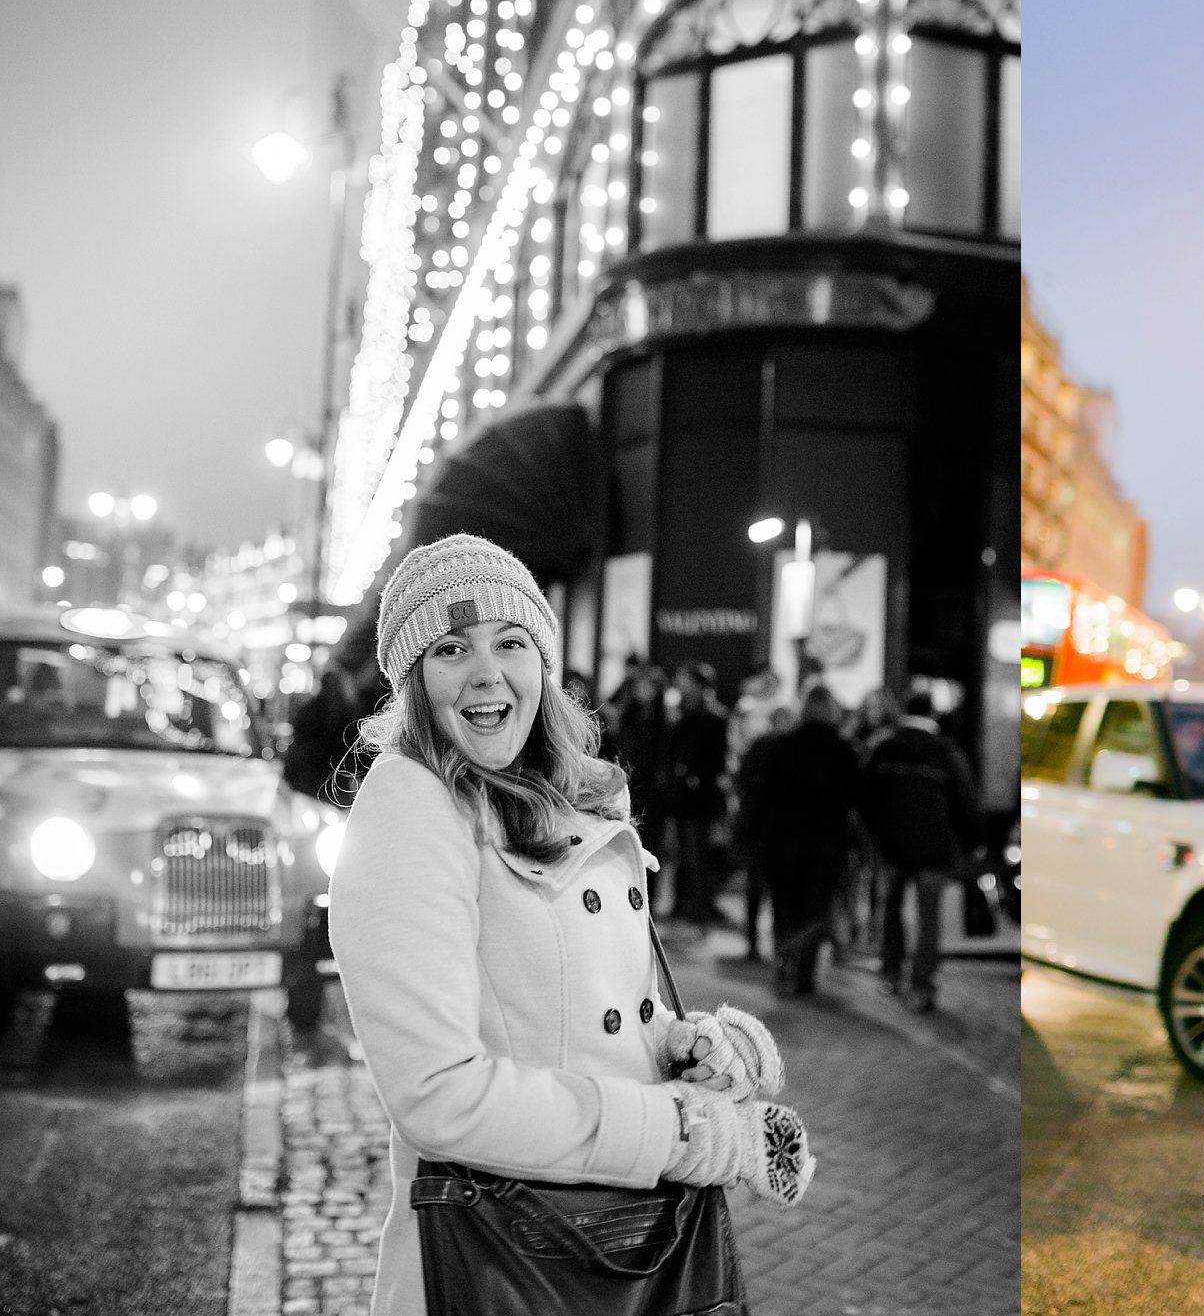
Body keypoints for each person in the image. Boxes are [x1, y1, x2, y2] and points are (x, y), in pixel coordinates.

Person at [325, 533, 812, 1316]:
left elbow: (576, 1015)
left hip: (625, 1241)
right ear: (413, 681)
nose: (488, 672)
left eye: (510, 642)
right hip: (511, 1257)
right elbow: (438, 1095)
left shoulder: (568, 794)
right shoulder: (410, 807)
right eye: (451, 649)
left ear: (542, 664)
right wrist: (678, 1130)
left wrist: (688, 1051)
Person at [859, 690, 980, 1012]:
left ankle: (891, 972)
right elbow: (966, 805)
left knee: (892, 908)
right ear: (932, 715)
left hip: (893, 847)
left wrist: (878, 835)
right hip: (934, 848)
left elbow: (865, 798)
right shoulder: (947, 753)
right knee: (929, 918)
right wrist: (971, 845)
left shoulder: (884, 749)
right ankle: (922, 984)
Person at [751, 683, 860, 995]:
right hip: (826, 843)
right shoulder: (843, 750)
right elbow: (853, 798)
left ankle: (783, 960)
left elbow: (766, 792)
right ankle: (805, 973)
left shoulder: (784, 746)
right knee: (816, 909)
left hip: (784, 839)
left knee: (785, 904)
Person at [667, 662, 731, 931]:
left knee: (697, 855)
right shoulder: (684, 713)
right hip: (686, 797)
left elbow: (716, 759)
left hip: (700, 799)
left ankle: (698, 908)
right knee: (686, 854)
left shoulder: (712, 717)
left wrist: (694, 776)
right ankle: (689, 907)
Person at [610, 661, 677, 913]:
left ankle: (648, 903)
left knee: (652, 849)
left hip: (655, 794)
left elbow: (668, 758)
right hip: (628, 789)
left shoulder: (666, 721)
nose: (645, 690)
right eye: (640, 684)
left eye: (650, 685)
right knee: (625, 847)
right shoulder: (626, 717)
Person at [733, 702, 797, 961]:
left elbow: (743, 780)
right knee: (777, 890)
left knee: (758, 888)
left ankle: (755, 943)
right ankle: (777, 945)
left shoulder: (761, 747)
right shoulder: (791, 749)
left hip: (760, 827)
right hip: (778, 830)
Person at [281, 663, 367, 805]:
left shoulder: (308, 712)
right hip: (333, 789)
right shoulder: (347, 718)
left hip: (304, 785)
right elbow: (352, 758)